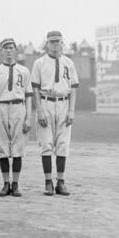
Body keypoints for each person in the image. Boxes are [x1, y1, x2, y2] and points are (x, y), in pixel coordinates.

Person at [31, 31, 79, 196]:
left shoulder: (69, 63)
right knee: (46, 145)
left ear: (62, 42)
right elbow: (35, 89)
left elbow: (73, 88)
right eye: (51, 42)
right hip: (46, 102)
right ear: (47, 43)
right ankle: (48, 182)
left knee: (63, 145)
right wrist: (40, 111)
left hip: (64, 103)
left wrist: (72, 110)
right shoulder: (39, 63)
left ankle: (61, 182)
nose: (54, 44)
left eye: (57, 41)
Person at [0, 38, 33, 197]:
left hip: (19, 107)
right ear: (2, 51)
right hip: (0, 106)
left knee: (18, 147)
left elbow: (28, 96)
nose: (8, 50)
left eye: (11, 47)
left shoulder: (24, 71)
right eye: (5, 48)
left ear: (16, 50)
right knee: (3, 147)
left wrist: (28, 117)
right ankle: (6, 184)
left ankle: (16, 184)